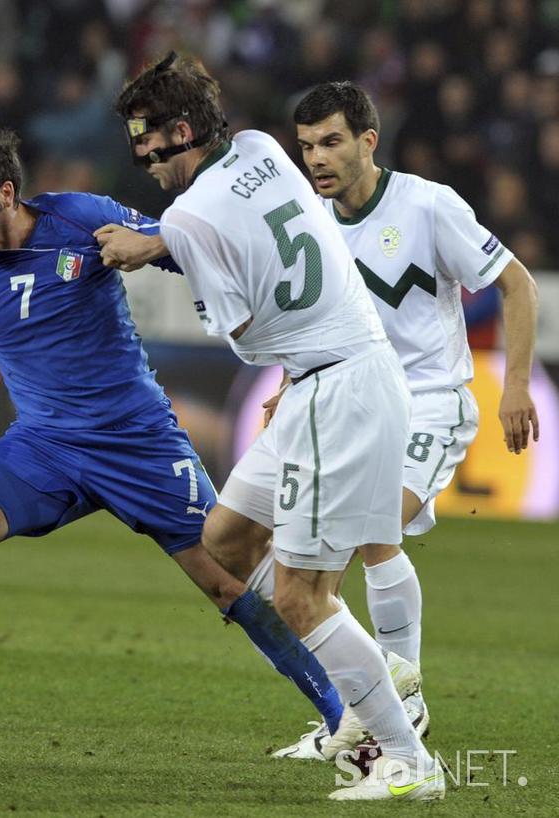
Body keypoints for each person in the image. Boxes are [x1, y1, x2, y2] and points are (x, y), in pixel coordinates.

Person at [0, 123, 347, 767]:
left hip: (137, 442)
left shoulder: (80, 217)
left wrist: (155, 250)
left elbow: (187, 250)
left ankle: (348, 717)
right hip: (45, 445)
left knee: (229, 583)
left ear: (6, 193)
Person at [97, 53, 442, 801]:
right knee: (225, 539)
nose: (142, 155)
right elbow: (245, 224)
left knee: (299, 598)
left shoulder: (185, 218)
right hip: (339, 371)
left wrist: (159, 245)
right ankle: (373, 677)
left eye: (146, 137)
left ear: (180, 131)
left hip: (330, 389)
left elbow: (245, 329)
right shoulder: (259, 147)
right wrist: (164, 239)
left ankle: (407, 756)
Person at [267, 79, 539, 758]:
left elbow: (517, 284)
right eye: (306, 146)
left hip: (430, 400)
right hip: (353, 402)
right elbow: (315, 322)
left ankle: (404, 703)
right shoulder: (312, 223)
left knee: (375, 526)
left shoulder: (427, 205)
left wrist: (515, 385)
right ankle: (360, 713)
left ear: (368, 141)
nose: (317, 158)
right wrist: (287, 384)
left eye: (331, 142)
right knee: (317, 566)